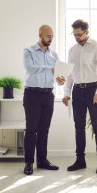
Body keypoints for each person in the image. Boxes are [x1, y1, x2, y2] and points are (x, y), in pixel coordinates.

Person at [62, 19, 97, 174]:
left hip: (92, 90)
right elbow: (69, 73)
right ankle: (80, 160)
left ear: (87, 32)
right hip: (77, 91)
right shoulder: (72, 50)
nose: (76, 37)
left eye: (79, 34)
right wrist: (66, 93)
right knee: (79, 128)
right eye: (74, 34)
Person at [23, 24, 66, 175]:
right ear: (40, 34)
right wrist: (50, 68)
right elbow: (30, 68)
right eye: (48, 36)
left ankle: (42, 160)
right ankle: (28, 162)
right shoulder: (28, 51)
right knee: (31, 130)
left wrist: (60, 80)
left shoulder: (54, 55)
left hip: (48, 94)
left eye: (52, 37)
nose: (50, 39)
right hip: (32, 94)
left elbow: (57, 74)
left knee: (44, 130)